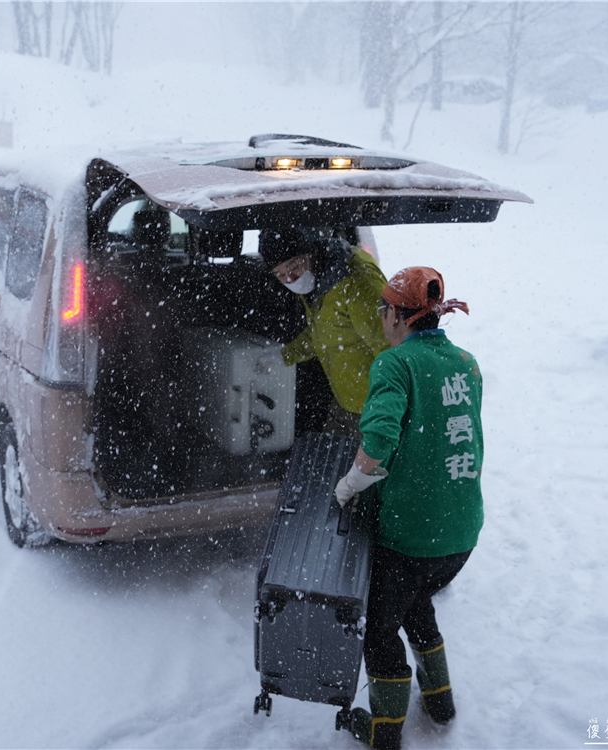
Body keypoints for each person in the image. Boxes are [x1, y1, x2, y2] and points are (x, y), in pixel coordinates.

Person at [334, 266, 482, 750]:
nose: (381, 318)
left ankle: (384, 734)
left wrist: (351, 485)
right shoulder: (465, 362)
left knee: (378, 633)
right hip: (460, 534)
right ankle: (440, 704)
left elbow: (378, 439)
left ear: (399, 316)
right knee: (417, 602)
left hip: (410, 536)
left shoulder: (394, 364)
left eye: (383, 309)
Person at [257, 227, 389, 435]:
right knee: (327, 463)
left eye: (294, 266)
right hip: (346, 406)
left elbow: (390, 347)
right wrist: (285, 356)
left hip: (376, 413)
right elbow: (325, 332)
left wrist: (388, 412)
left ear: (312, 253)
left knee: (364, 468)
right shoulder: (317, 282)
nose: (290, 278)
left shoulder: (358, 282)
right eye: (280, 274)